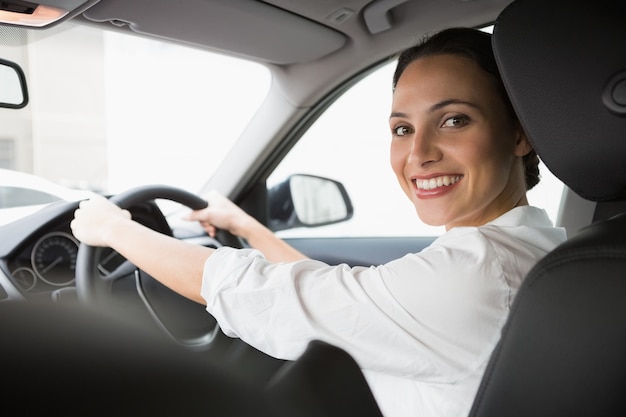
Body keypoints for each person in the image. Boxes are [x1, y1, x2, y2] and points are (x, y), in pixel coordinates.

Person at [70, 27, 567, 417]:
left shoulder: (475, 273)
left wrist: (112, 228)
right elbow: (340, 298)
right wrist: (249, 229)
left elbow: (270, 296)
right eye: (402, 128)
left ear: (518, 133)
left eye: (454, 119)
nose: (419, 153)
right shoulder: (539, 250)